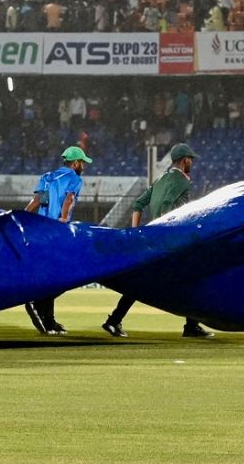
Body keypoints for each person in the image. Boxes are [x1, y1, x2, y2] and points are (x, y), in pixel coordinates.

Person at [102, 144, 213, 339]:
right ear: (184, 159)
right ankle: (191, 326)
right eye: (191, 159)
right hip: (170, 240)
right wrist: (165, 229)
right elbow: (166, 203)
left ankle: (114, 320)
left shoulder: (161, 178)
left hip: (155, 238)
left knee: (144, 281)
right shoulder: (181, 180)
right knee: (194, 277)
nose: (192, 162)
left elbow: (138, 204)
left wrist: (137, 231)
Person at [22, 146, 90, 336]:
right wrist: (63, 219)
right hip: (57, 232)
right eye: (82, 162)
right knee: (63, 276)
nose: (83, 166)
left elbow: (37, 201)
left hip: (40, 230)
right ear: (75, 163)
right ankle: (36, 303)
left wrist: (23, 220)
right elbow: (68, 199)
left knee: (50, 275)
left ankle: (49, 320)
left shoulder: (47, 176)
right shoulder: (75, 179)